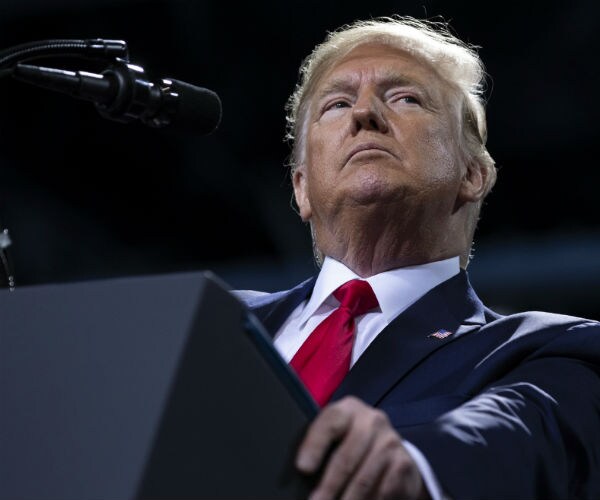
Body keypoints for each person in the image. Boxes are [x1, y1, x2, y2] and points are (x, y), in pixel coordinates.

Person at [237, 15, 600, 499]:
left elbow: (519, 431)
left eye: (405, 98)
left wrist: (417, 461)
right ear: (301, 189)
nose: (364, 114)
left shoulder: (550, 349)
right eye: (337, 103)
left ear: (472, 174)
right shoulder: (210, 319)